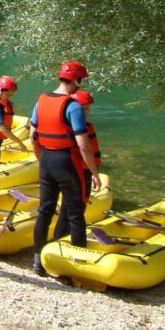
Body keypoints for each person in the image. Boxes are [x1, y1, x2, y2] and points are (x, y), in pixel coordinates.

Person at [30, 61, 101, 276]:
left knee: (45, 210)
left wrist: (42, 159)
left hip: (47, 160)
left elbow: (33, 136)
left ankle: (38, 261)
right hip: (67, 162)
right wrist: (95, 174)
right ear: (76, 80)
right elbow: (84, 145)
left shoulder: (40, 101)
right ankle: (76, 265)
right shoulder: (73, 106)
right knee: (75, 213)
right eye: (81, 81)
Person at [53, 90, 101, 239]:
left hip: (77, 170)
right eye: (84, 108)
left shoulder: (78, 126)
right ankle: (64, 240)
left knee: (70, 207)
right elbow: (84, 149)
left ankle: (61, 238)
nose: (88, 111)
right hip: (79, 171)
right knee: (73, 208)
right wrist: (95, 174)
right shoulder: (77, 128)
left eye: (88, 108)